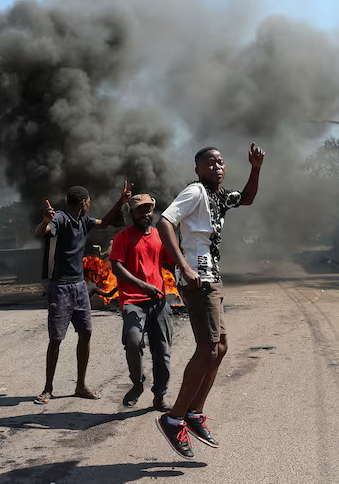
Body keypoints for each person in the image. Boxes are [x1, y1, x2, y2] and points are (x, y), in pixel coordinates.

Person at [155, 144, 265, 459]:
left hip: (211, 277)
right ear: (198, 169)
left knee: (221, 347)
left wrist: (255, 168)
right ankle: (174, 418)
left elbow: (247, 198)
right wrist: (184, 266)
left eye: (220, 162)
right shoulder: (195, 192)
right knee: (207, 348)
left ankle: (193, 412)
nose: (216, 166)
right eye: (209, 162)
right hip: (197, 278)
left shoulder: (218, 197)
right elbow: (164, 222)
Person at [32, 182, 131, 405]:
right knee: (56, 339)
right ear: (84, 202)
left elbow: (105, 223)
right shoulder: (60, 218)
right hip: (60, 287)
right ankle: (48, 388)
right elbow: (42, 232)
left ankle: (80, 385)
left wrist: (120, 203)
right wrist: (45, 221)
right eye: (89, 202)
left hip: (79, 286)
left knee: (85, 333)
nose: (90, 205)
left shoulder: (84, 222)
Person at [109, 193, 173, 411]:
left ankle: (160, 396)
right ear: (132, 213)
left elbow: (171, 261)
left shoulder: (159, 235)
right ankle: (137, 383)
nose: (146, 214)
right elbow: (116, 267)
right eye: (140, 210)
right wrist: (143, 285)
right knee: (134, 341)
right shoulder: (123, 237)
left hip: (159, 301)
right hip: (133, 302)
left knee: (162, 352)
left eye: (148, 209)